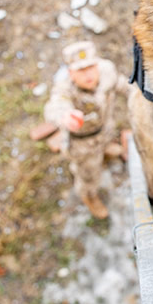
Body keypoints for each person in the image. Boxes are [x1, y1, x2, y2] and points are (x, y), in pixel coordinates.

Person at [43, 41, 128, 219]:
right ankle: (89, 197)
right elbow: (55, 105)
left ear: (97, 64)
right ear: (70, 73)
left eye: (90, 67)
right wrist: (65, 116)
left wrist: (140, 91)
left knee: (106, 143)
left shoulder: (106, 71)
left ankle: (105, 150)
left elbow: (123, 84)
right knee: (88, 176)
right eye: (80, 70)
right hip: (83, 145)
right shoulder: (65, 87)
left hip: (105, 130)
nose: (88, 74)